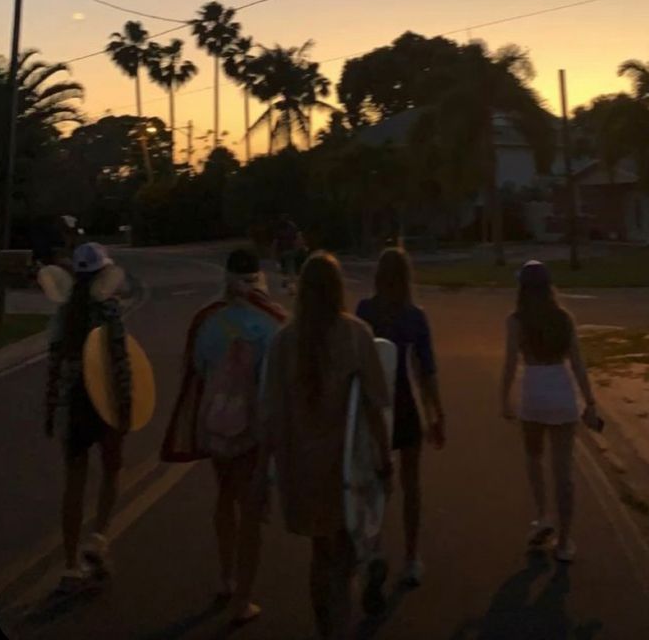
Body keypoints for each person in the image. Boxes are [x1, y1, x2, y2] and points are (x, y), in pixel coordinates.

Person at [259, 251, 392, 640]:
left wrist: (259, 478)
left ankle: (328, 628)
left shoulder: (284, 341)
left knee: (321, 553)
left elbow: (271, 414)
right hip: (346, 468)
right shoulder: (355, 334)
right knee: (344, 552)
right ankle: (341, 622)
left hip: (300, 469)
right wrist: (385, 459)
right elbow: (373, 404)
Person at [161, 247, 285, 625]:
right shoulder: (272, 323)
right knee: (251, 509)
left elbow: (196, 367)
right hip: (252, 427)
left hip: (214, 422)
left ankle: (227, 576)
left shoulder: (207, 321)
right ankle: (242, 600)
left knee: (225, 496)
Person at [356, 247, 445, 596]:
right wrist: (438, 413)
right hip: (406, 406)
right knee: (411, 484)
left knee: (373, 483)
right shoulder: (414, 316)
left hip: (371, 409)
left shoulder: (364, 311)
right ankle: (411, 557)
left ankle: (372, 549)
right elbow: (427, 372)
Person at [44, 242, 132, 595]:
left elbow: (53, 366)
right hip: (105, 404)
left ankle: (69, 565)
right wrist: (126, 408)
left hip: (73, 407)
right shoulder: (109, 312)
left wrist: (51, 411)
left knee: (74, 484)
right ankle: (98, 538)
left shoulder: (63, 315)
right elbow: (121, 364)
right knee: (112, 471)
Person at [500, 259, 600, 562]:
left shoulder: (516, 320)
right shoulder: (564, 318)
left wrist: (503, 398)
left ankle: (544, 515)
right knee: (564, 471)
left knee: (533, 457)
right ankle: (565, 542)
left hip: (533, 391)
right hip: (561, 392)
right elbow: (578, 365)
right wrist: (590, 402)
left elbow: (509, 363)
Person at [273, 214, 301, 293]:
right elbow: (277, 239)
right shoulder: (281, 227)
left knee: (289, 264)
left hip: (289, 249)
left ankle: (290, 283)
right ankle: (288, 281)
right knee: (285, 265)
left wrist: (297, 247)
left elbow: (296, 237)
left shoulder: (290, 227)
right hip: (283, 249)